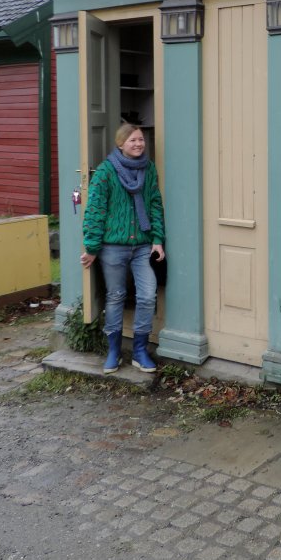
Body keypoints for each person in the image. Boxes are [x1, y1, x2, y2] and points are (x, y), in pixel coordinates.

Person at [80, 122, 166, 375]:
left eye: (141, 140)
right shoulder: (106, 172)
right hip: (112, 248)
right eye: (133, 140)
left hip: (142, 246)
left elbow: (154, 204)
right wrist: (93, 247)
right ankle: (114, 351)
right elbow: (95, 211)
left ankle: (140, 350)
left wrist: (157, 239)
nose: (139, 144)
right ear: (120, 144)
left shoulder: (148, 169)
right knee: (116, 296)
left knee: (147, 295)